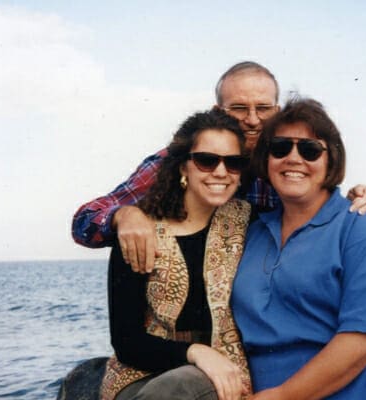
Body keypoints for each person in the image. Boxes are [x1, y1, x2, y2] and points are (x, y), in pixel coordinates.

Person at [72, 61, 366, 274]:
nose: (252, 120)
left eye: (262, 108)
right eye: (239, 108)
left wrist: (361, 199)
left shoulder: (286, 167)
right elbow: (85, 220)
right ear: (218, 109)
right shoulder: (185, 159)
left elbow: (325, 215)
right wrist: (123, 216)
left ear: (276, 110)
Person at [231, 98, 366, 399]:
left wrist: (283, 396)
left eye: (309, 150)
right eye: (281, 148)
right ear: (266, 158)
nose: (293, 158)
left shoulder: (364, 227)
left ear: (331, 160)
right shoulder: (251, 233)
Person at [100, 109, 252, 400]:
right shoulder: (140, 231)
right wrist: (196, 353)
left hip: (227, 374)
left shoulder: (250, 223)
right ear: (184, 166)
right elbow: (126, 341)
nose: (221, 172)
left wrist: (359, 196)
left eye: (234, 163)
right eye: (207, 161)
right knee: (187, 383)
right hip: (143, 378)